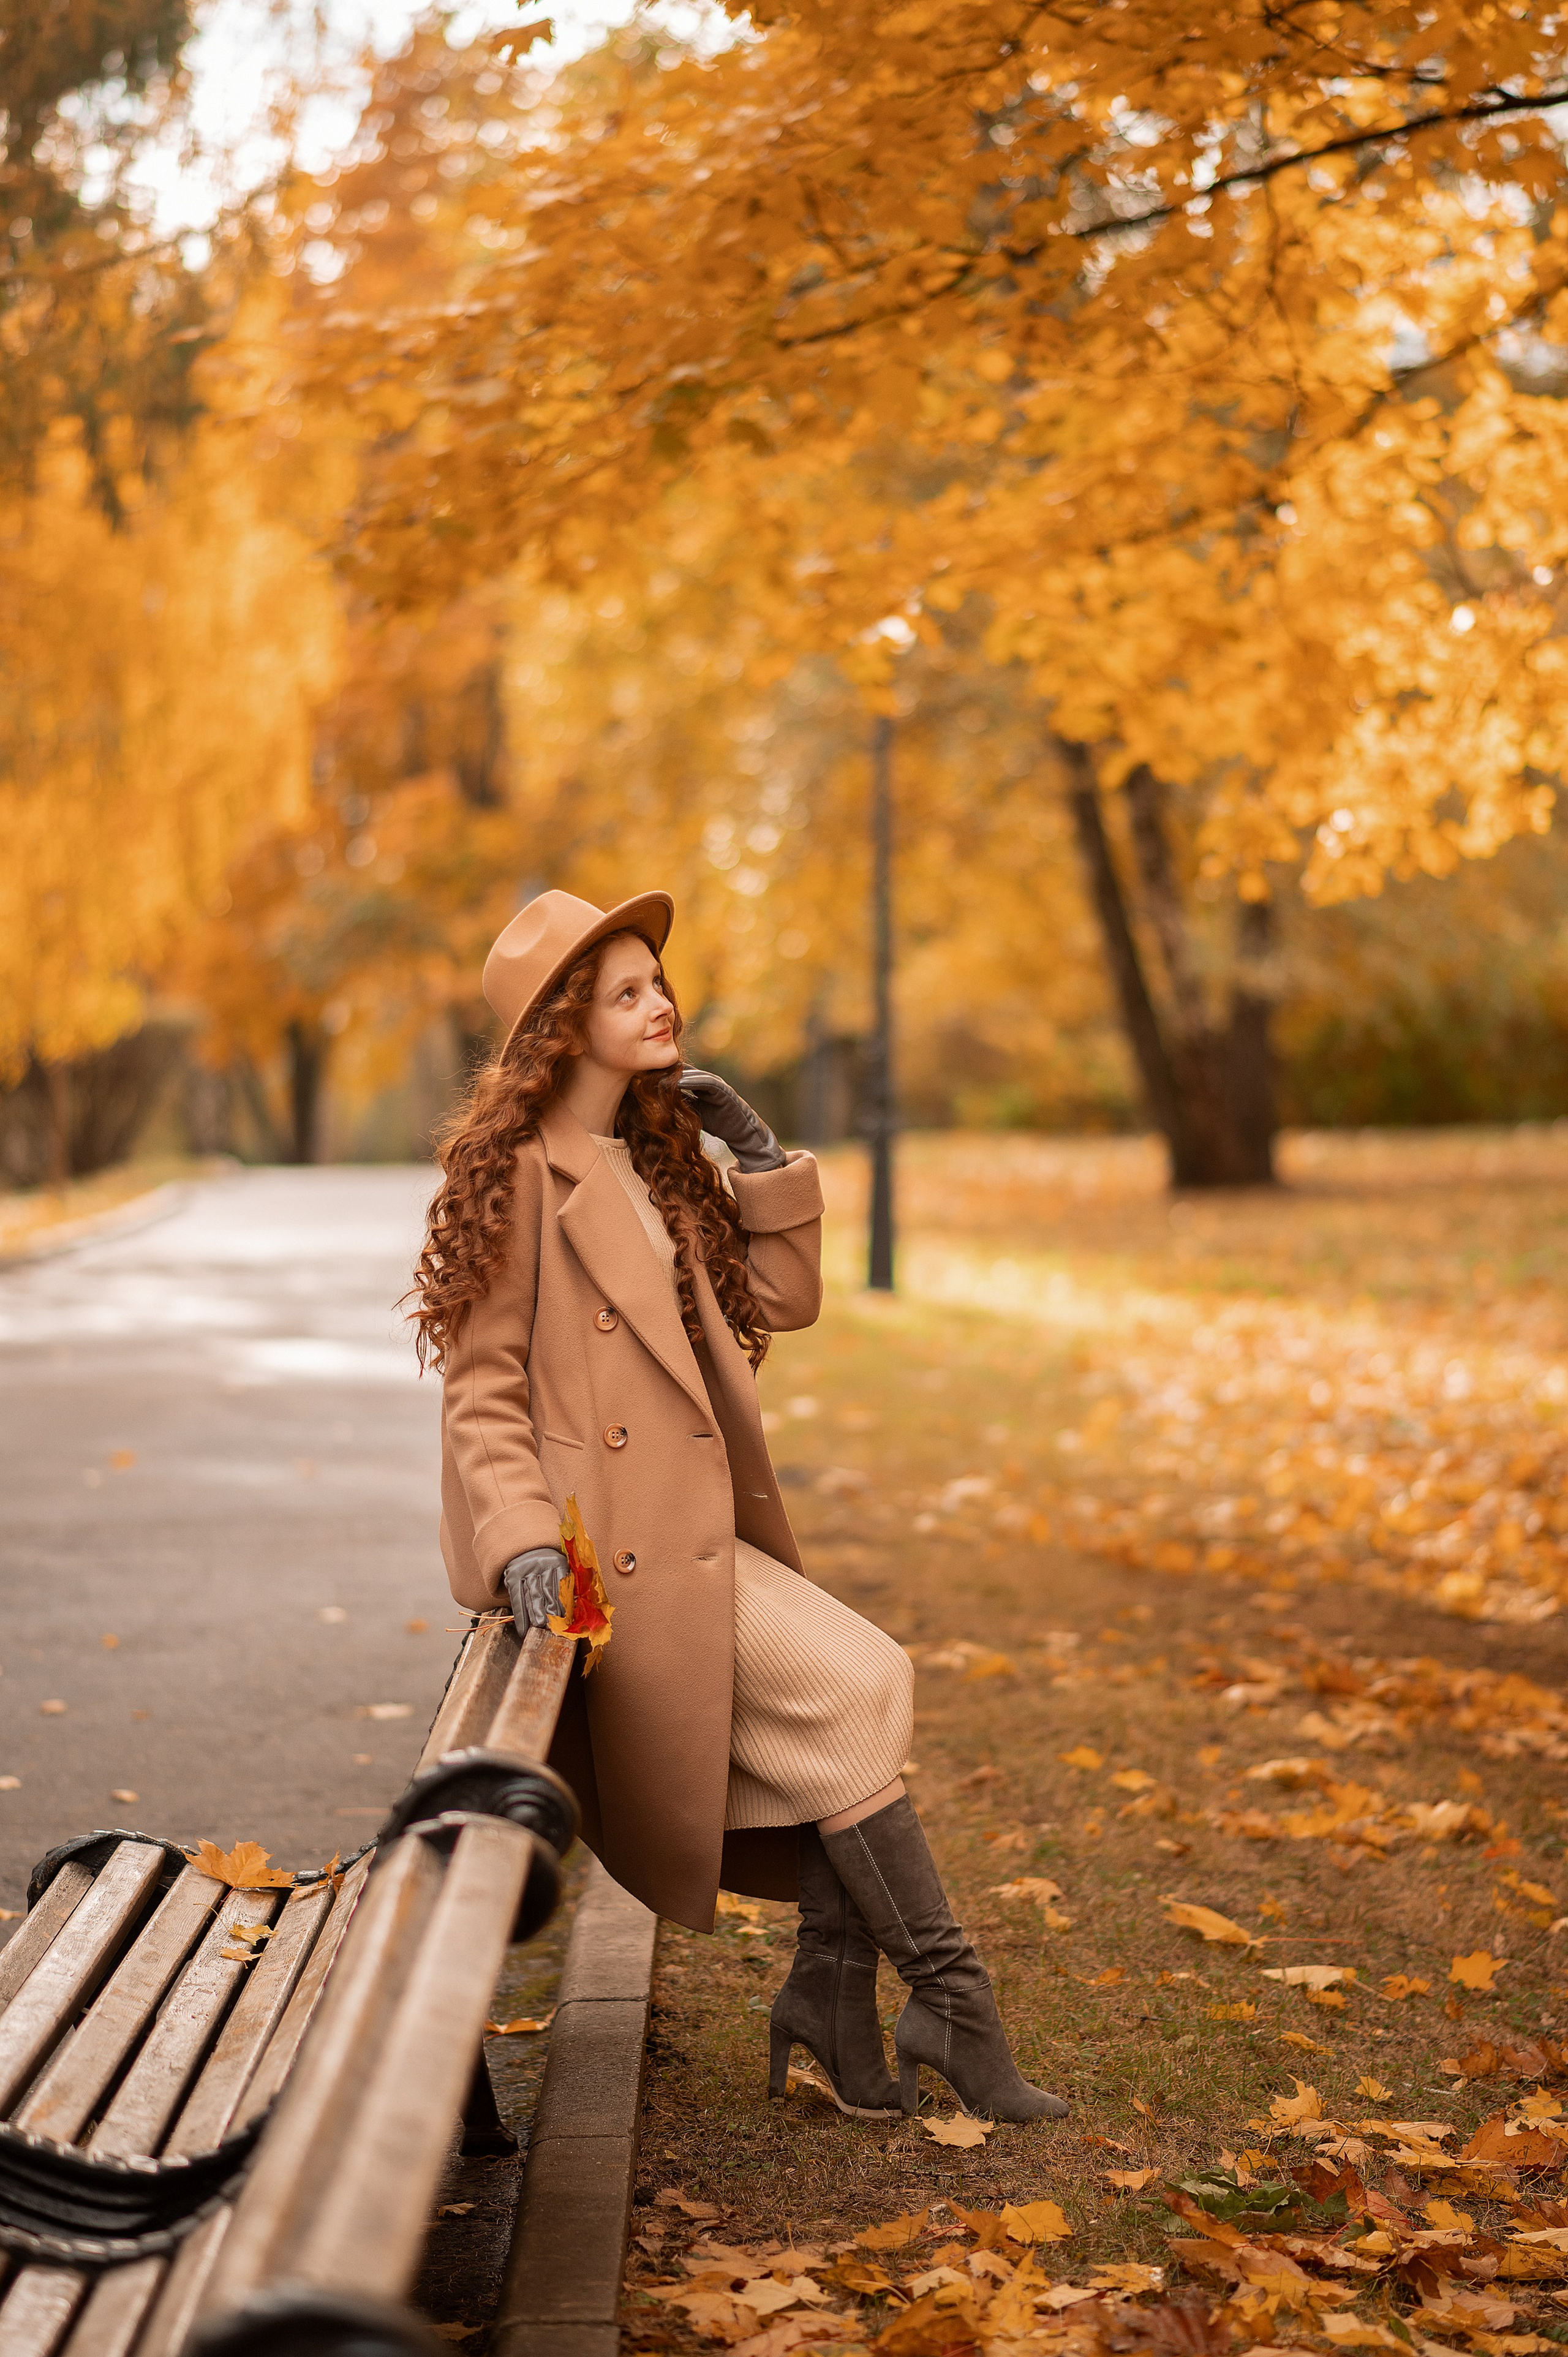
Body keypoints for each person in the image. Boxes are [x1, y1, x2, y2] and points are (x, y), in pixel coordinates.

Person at [410, 888, 1066, 2124]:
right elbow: (481, 1392)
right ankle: (944, 2000)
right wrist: (518, 1543)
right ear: (563, 1026)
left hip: (686, 1538)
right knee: (860, 1684)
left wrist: (757, 1160)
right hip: (615, 1560)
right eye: (622, 992)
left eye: (655, 981)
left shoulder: (648, 1157)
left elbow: (776, 1300)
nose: (657, 1002)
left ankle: (856, 2003)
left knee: (860, 1695)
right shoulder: (518, 1179)